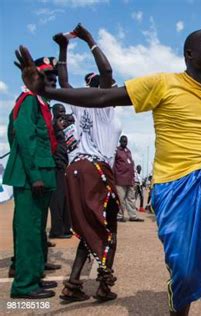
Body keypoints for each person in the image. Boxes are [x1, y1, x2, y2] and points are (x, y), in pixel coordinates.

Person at [15, 29, 201, 315]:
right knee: (185, 272)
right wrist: (47, 90)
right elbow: (104, 97)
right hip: (173, 186)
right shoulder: (163, 83)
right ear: (189, 54)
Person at [52, 23, 123, 301]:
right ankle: (104, 286)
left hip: (75, 170)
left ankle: (73, 284)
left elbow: (64, 83)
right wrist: (89, 39)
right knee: (108, 229)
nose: (115, 88)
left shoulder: (77, 102)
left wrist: (63, 48)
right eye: (110, 87)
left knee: (88, 228)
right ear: (100, 89)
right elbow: (107, 72)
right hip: (95, 170)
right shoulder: (103, 105)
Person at [3, 57, 59, 299]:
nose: (51, 81)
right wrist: (35, 175)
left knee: (37, 231)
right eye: (46, 77)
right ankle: (24, 286)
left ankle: (34, 277)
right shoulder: (27, 101)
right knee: (28, 231)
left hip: (43, 173)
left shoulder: (41, 103)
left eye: (53, 77)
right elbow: (22, 137)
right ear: (34, 78)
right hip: (31, 177)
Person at [49, 103, 72, 239]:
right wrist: (57, 127)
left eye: (64, 111)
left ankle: (65, 228)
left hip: (64, 165)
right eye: (60, 111)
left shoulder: (63, 126)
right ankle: (56, 230)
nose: (62, 113)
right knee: (57, 200)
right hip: (56, 166)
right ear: (54, 112)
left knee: (65, 200)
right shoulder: (53, 125)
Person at [114, 135, 144, 222]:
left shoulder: (128, 151)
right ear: (120, 141)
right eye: (123, 141)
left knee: (131, 199)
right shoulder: (116, 151)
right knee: (120, 199)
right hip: (120, 179)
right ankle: (119, 216)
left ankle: (133, 216)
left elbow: (131, 164)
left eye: (126, 141)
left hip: (130, 180)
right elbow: (113, 164)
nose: (125, 143)